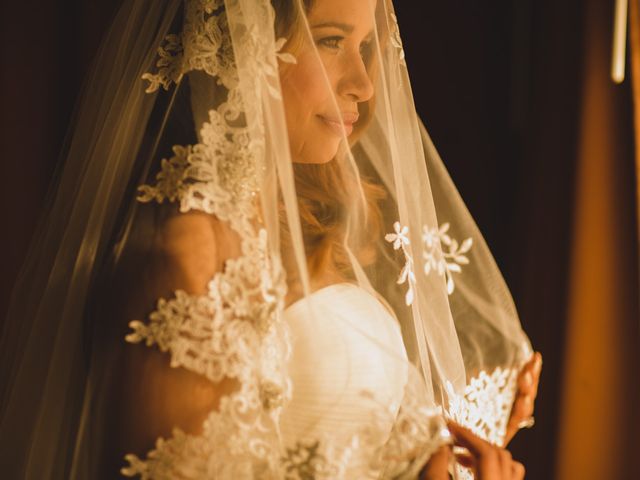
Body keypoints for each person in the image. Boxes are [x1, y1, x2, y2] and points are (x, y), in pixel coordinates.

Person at [0, 0, 540, 478]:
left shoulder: (303, 225)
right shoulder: (187, 262)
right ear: (244, 44)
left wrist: (467, 435)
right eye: (331, 41)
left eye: (368, 44)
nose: (365, 82)